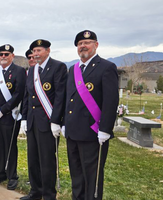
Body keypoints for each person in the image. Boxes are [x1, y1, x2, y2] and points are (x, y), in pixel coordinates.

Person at [63, 30, 118, 200]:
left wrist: (105, 129)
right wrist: (64, 123)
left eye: (87, 43)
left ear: (96, 45)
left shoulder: (106, 67)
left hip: (92, 133)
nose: (83, 46)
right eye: (80, 44)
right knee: (76, 174)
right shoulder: (73, 69)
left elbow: (111, 101)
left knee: (92, 177)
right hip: (73, 132)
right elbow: (68, 99)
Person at [21, 39, 67, 200]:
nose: (36, 54)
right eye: (34, 51)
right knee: (32, 159)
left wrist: (56, 121)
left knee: (47, 160)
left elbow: (61, 96)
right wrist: (24, 118)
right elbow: (27, 96)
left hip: (48, 122)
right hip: (33, 121)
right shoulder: (32, 70)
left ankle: (48, 195)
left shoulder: (58, 67)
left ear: (48, 51)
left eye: (39, 50)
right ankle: (35, 191)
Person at [0, 44, 26, 190]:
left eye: (6, 54)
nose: (3, 56)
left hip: (9, 116)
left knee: (10, 147)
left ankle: (12, 176)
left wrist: (3, 109)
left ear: (12, 56)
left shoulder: (19, 71)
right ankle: (0, 173)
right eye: (1, 54)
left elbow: (18, 94)